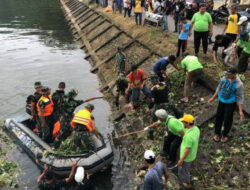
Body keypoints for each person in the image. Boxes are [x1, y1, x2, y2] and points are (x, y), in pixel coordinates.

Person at [208, 68, 244, 143]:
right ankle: (217, 133)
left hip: (230, 104)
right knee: (219, 117)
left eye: (229, 74)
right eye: (226, 74)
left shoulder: (239, 84)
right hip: (221, 101)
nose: (227, 75)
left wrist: (240, 111)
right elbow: (219, 88)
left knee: (228, 119)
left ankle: (225, 134)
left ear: (234, 74)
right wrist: (213, 98)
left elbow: (240, 97)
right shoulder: (224, 78)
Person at [177, 114, 200, 190]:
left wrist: (181, 160)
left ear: (187, 123)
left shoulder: (188, 136)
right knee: (186, 168)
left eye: (183, 122)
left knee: (185, 170)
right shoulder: (196, 129)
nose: (182, 123)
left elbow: (187, 149)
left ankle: (188, 184)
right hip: (193, 154)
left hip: (187, 157)